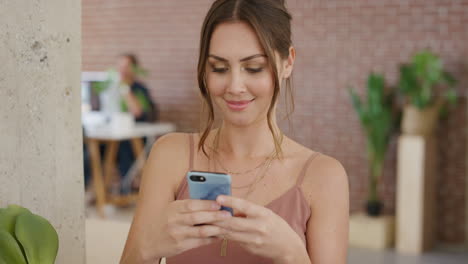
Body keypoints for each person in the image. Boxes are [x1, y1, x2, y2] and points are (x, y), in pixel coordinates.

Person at [120, 0, 349, 263]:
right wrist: (149, 248)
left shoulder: (324, 177)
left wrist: (293, 254)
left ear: (288, 62)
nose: (235, 86)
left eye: (254, 68)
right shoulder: (170, 155)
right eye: (219, 68)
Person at [116, 53, 157, 193]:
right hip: (116, 134)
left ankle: (125, 190)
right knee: (92, 150)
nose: (123, 70)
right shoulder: (112, 88)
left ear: (135, 68)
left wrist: (125, 89)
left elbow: (137, 111)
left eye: (127, 66)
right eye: (120, 66)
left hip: (137, 136)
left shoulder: (139, 89)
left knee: (124, 148)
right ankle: (97, 191)